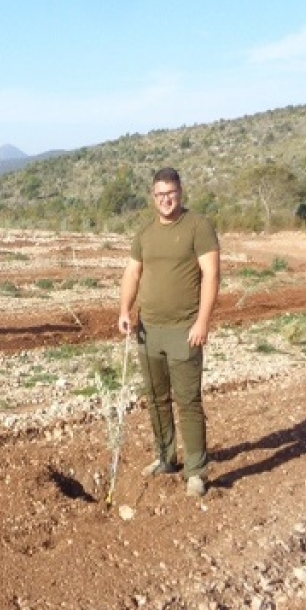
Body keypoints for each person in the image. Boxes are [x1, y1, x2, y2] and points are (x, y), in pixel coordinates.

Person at [118, 167, 220, 497]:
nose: (166, 199)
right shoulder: (145, 233)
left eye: (171, 193)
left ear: (180, 191)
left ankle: (196, 471)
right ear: (153, 197)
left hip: (184, 330)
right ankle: (165, 457)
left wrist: (203, 321)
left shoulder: (198, 226)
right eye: (160, 194)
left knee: (188, 401)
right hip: (149, 330)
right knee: (157, 400)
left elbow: (211, 276)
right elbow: (132, 275)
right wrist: (124, 311)